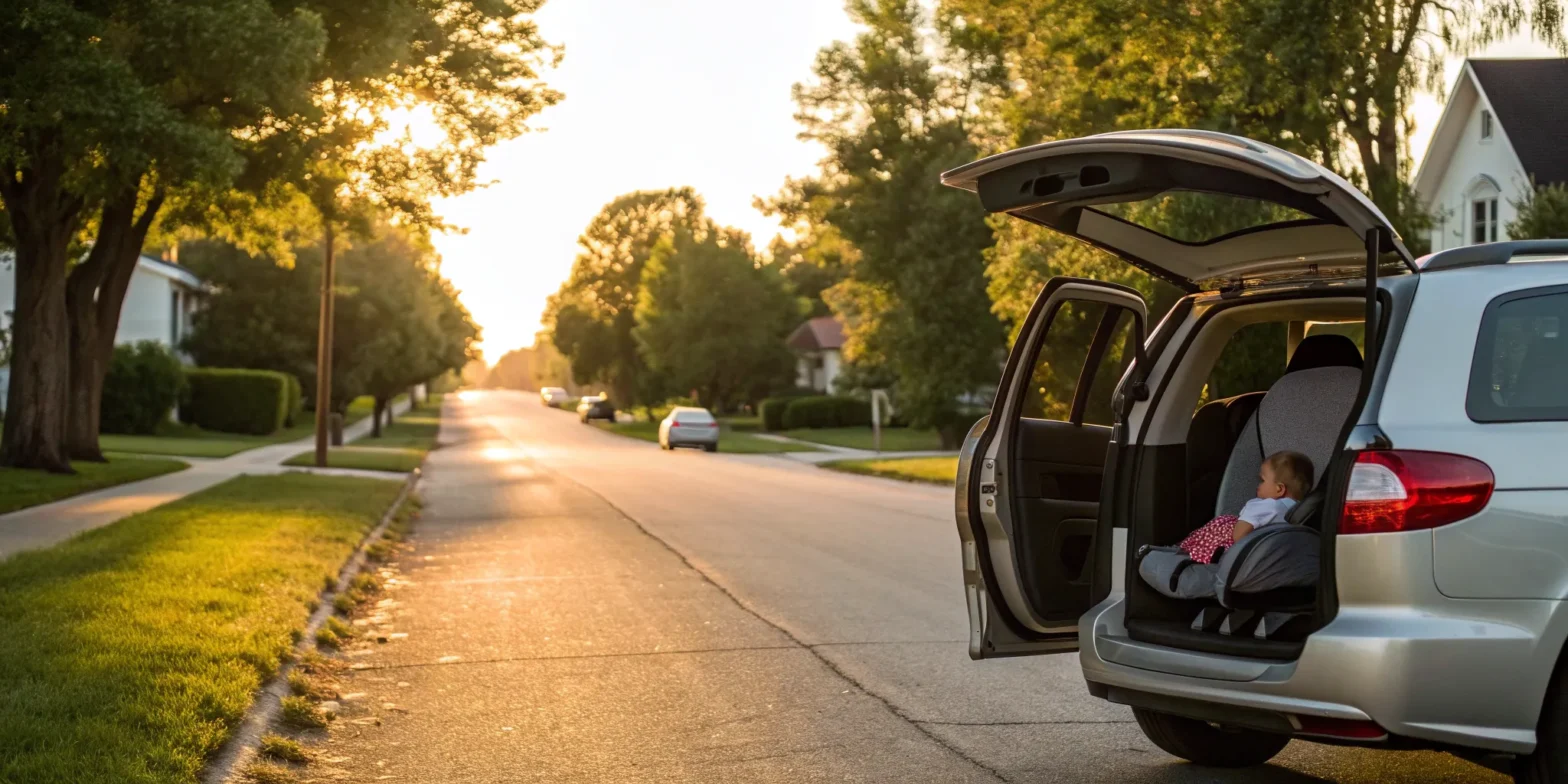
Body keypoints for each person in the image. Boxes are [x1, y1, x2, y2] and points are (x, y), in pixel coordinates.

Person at [1178, 450, 1314, 564]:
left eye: (1262, 480)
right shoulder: (1299, 510)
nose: (1258, 485)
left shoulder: (1266, 506)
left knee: (1221, 523)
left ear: (1279, 489)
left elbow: (1238, 536)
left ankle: (1192, 552)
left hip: (1234, 551)